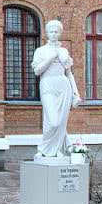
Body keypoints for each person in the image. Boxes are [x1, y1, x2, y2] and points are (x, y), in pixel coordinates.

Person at [32, 20, 81, 159]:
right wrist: (51, 57)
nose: (53, 34)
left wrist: (76, 93)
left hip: (64, 87)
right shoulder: (40, 51)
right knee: (53, 121)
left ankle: (58, 149)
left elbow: (69, 73)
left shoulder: (64, 51)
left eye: (56, 32)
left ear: (59, 33)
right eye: (51, 32)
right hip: (47, 85)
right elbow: (37, 71)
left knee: (61, 120)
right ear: (47, 33)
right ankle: (44, 149)